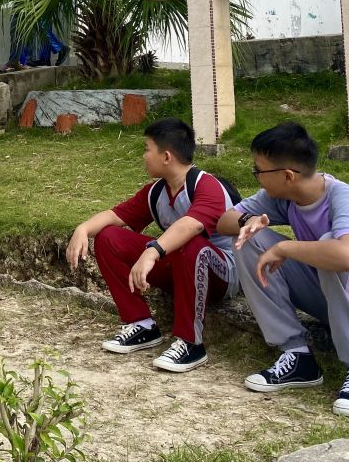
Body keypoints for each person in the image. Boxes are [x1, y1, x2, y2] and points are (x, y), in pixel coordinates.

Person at [217, 122, 349, 418]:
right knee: (249, 239)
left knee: (333, 247)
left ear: (287, 175)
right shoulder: (284, 197)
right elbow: (224, 221)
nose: (256, 177)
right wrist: (247, 220)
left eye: (258, 171)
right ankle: (297, 355)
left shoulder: (346, 198)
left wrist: (285, 248)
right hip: (339, 298)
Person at [66, 118, 238, 372]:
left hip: (221, 275)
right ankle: (141, 324)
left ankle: (191, 343)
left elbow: (190, 226)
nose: (143, 156)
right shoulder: (157, 191)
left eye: (147, 149)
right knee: (108, 237)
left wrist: (152, 251)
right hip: (181, 267)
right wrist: (82, 229)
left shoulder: (207, 186)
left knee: (190, 243)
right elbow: (115, 216)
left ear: (166, 156)